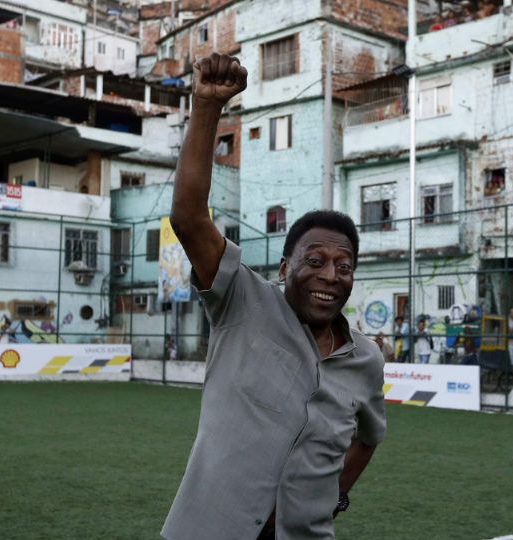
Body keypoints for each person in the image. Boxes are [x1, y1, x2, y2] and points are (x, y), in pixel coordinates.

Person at [161, 53, 385, 540]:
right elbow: (188, 217)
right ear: (285, 267)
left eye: (344, 266)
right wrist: (206, 108)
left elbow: (368, 438)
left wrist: (333, 496)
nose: (330, 274)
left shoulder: (366, 360)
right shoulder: (241, 300)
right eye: (315, 260)